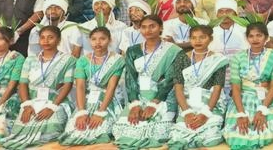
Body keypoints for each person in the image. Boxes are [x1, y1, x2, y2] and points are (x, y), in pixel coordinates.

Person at [111, 15, 185, 149]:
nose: (148, 30)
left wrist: (154, 104)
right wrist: (135, 104)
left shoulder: (173, 51)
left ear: (160, 28)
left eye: (152, 26)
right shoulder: (133, 50)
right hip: (139, 96)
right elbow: (130, 78)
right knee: (122, 131)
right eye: (144, 27)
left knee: (157, 133)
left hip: (163, 97)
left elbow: (169, 80)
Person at [0, 25, 77, 149]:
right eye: (42, 38)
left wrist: (52, 107)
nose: (46, 41)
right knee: (22, 128)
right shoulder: (30, 60)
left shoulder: (68, 60)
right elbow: (23, 83)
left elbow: (68, 85)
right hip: (31, 100)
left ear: (58, 40)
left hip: (55, 101)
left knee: (51, 130)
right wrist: (27, 105)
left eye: (50, 37)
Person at [223, 22, 273, 149]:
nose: (255, 39)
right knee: (236, 134)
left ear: (266, 37)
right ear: (247, 38)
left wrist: (263, 110)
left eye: (259, 35)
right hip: (243, 98)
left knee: (266, 133)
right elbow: (235, 87)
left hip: (266, 99)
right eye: (251, 36)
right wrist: (241, 114)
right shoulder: (238, 57)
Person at [59, 27, 125, 145]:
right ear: (89, 41)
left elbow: (111, 87)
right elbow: (80, 87)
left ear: (110, 40)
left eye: (102, 39)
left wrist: (100, 113)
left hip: (107, 101)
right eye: (94, 39)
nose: (97, 42)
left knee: (99, 130)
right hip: (87, 100)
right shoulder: (82, 60)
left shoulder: (117, 60)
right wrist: (81, 112)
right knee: (75, 131)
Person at [167, 25, 229, 149]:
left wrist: (205, 113)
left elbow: (217, 88)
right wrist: (187, 112)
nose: (198, 41)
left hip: (210, 104)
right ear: (190, 39)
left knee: (210, 137)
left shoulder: (218, 59)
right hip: (187, 103)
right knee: (178, 136)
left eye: (202, 37)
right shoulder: (182, 58)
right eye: (194, 38)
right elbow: (178, 88)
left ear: (210, 39)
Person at [207, 0, 249, 100]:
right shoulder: (209, 32)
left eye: (228, 11)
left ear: (236, 14)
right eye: (221, 11)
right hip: (216, 83)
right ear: (216, 14)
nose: (224, 14)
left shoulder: (245, 31)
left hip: (240, 82)